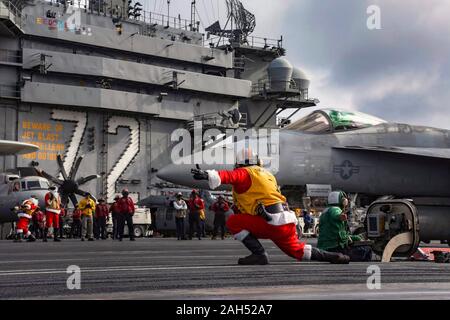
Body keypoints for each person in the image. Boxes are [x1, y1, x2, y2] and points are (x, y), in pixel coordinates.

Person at [192, 148, 350, 265]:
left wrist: (209, 174)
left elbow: (229, 176)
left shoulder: (246, 172)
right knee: (298, 251)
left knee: (234, 222)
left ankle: (259, 254)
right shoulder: (268, 175)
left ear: (239, 164)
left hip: (268, 221)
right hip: (285, 222)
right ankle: (334, 256)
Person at [317, 191, 372, 262]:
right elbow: (335, 215)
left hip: (323, 249)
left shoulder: (325, 211)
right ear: (343, 201)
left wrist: (355, 237)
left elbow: (339, 233)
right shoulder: (335, 209)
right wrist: (340, 216)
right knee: (367, 249)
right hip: (336, 248)